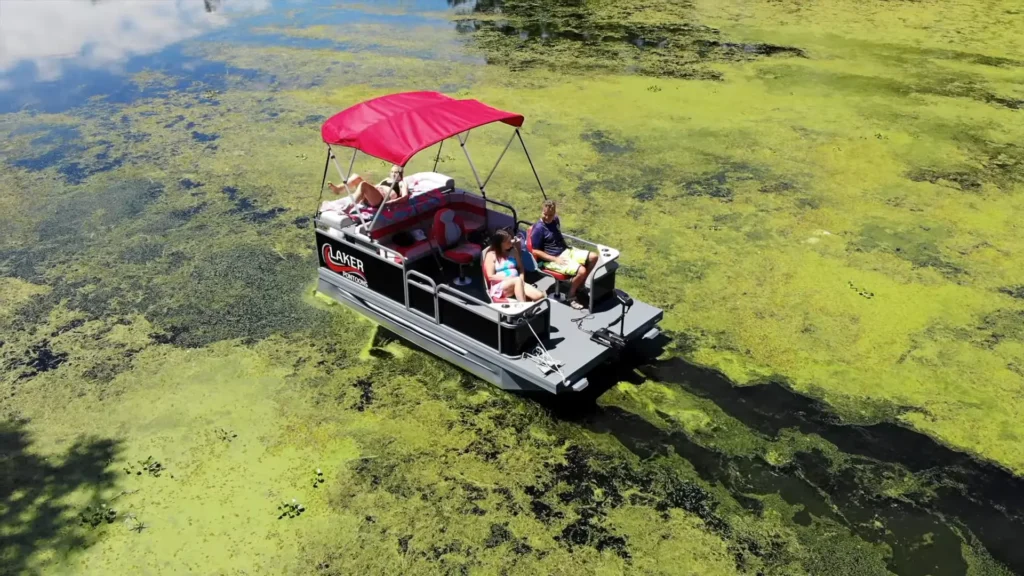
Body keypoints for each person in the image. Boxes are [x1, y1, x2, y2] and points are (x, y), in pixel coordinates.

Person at [530, 199, 598, 310]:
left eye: (550, 215)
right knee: (582, 271)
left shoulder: (555, 220)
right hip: (551, 259)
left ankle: (580, 284)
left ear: (555, 213)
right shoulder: (538, 228)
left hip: (566, 250)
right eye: (544, 214)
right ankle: (571, 295)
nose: (547, 217)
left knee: (594, 257)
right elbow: (535, 251)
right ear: (542, 211)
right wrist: (554, 259)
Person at [484, 229, 544, 303]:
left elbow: (520, 267)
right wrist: (509, 278)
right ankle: (522, 307)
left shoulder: (513, 251)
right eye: (508, 241)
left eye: (511, 239)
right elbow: (491, 276)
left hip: (517, 282)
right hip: (501, 286)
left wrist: (521, 279)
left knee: (539, 296)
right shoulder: (491, 255)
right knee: (517, 280)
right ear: (501, 244)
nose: (511, 242)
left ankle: (527, 308)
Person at [327, 164, 408, 207]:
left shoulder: (401, 183)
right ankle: (338, 189)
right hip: (374, 195)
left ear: (401, 173)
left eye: (396, 172)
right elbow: (376, 186)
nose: (393, 174)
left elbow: (405, 197)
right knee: (356, 177)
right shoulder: (386, 179)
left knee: (363, 184)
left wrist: (393, 202)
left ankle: (350, 207)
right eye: (392, 172)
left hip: (381, 199)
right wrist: (369, 189)